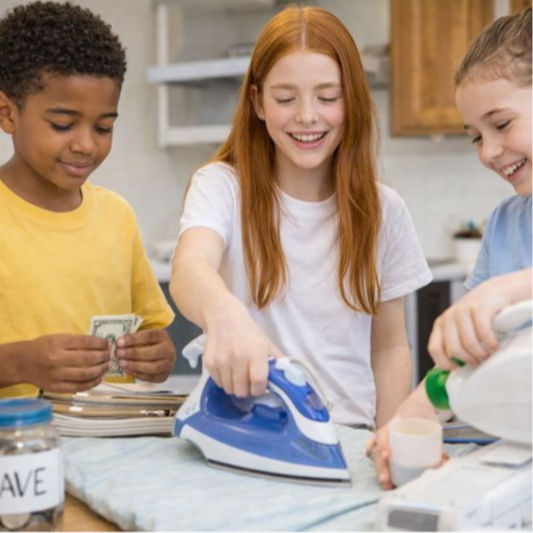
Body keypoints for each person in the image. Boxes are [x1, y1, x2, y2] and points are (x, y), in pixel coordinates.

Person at [170, 5, 431, 433]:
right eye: (286, 98)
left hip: (350, 438)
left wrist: (390, 439)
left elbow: (388, 348)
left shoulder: (384, 211)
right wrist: (224, 314)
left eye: (328, 97)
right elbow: (189, 267)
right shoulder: (221, 187)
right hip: (248, 433)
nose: (307, 116)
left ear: (352, 100)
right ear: (257, 101)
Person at [370, 7, 533, 489]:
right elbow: (461, 361)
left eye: (501, 124)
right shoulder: (505, 225)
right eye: (476, 137)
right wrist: (407, 422)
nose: (488, 151)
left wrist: (505, 292)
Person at [0, 1, 176, 399]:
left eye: (103, 127)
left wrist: (158, 355)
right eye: (62, 125)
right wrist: (19, 363)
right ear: (7, 113)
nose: (85, 145)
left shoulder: (117, 216)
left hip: (109, 449)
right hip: (18, 451)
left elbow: (152, 330)